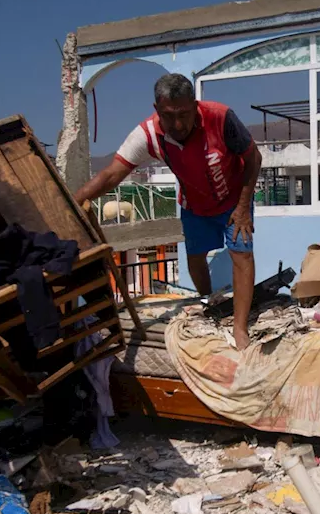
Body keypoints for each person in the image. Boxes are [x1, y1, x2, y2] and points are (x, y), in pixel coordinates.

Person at [75, 73, 262, 350]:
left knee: (242, 254)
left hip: (235, 201)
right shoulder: (148, 134)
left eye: (184, 114)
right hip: (194, 205)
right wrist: (73, 200)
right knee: (195, 257)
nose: (177, 124)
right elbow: (112, 175)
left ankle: (239, 326)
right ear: (157, 110)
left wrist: (244, 207)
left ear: (195, 106)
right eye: (168, 115)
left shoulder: (221, 118)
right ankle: (208, 302)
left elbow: (253, 158)